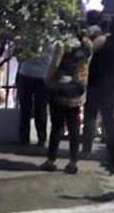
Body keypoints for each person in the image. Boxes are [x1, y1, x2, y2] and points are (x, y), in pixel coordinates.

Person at [40, 28, 93, 174]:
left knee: (57, 125)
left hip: (61, 85)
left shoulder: (63, 44)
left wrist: (47, 79)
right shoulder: (87, 45)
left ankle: (51, 160)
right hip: (78, 87)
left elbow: (55, 64)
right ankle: (73, 161)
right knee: (74, 125)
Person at [82, 14, 114, 164]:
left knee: (91, 115)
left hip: (96, 82)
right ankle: (112, 150)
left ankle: (86, 149)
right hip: (112, 84)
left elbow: (89, 49)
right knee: (108, 119)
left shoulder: (102, 40)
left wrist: (84, 37)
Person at [16, 45, 52, 147]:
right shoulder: (51, 39)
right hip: (43, 74)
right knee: (41, 108)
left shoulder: (26, 38)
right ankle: (41, 137)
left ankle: (23, 138)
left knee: (25, 108)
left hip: (26, 72)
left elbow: (19, 56)